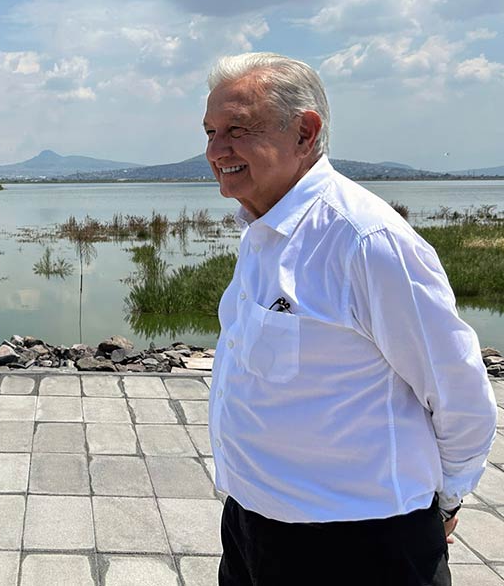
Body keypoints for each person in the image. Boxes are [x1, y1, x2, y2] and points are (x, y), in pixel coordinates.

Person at [203, 52, 498, 585]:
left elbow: (458, 390)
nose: (215, 150)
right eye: (210, 132)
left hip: (359, 547)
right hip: (251, 527)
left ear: (305, 132)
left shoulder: (365, 241)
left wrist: (447, 498)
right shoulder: (260, 232)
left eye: (237, 130)